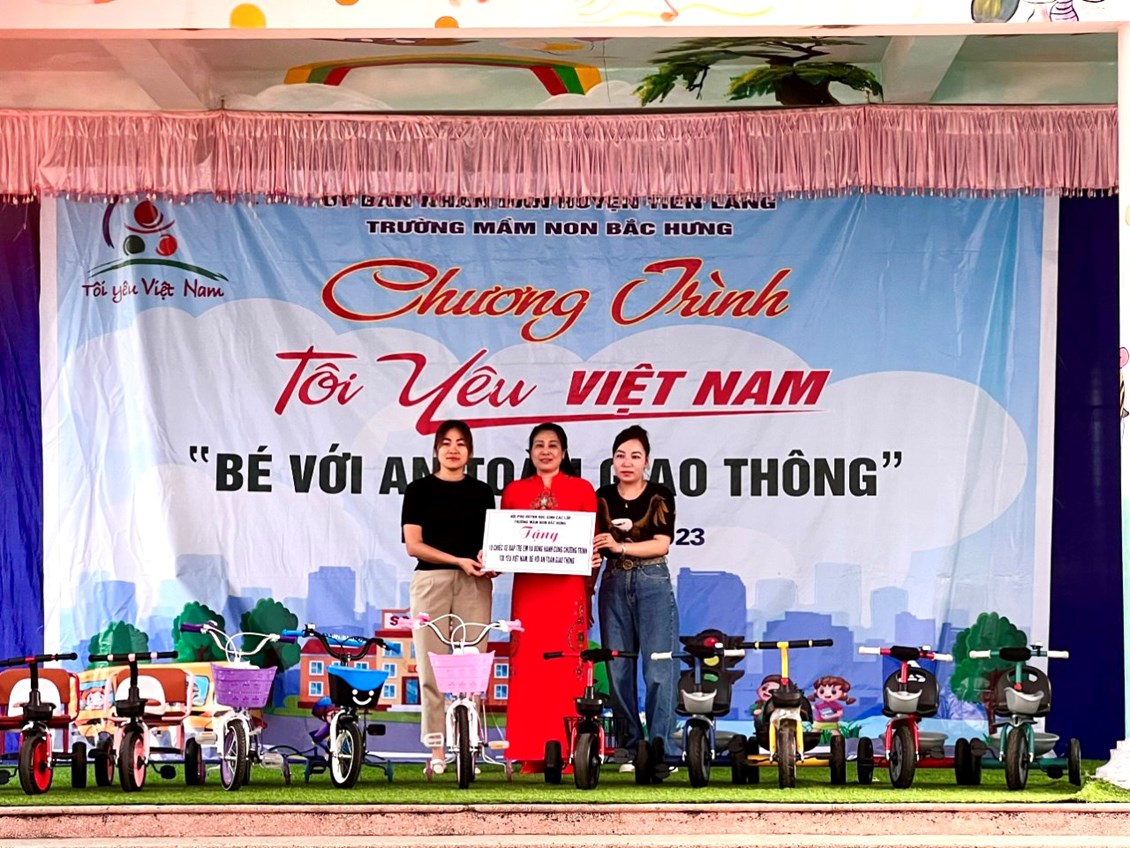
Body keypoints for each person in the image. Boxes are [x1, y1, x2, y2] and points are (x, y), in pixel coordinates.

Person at [501, 422, 597, 772]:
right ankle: (530, 752)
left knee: (566, 668)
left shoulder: (582, 489)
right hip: (529, 593)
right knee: (530, 670)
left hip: (568, 591)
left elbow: (590, 542)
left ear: (564, 452)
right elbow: (505, 541)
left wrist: (590, 576)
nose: (545, 451)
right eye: (538, 445)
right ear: (529, 453)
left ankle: (572, 753)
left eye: (552, 445)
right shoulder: (514, 491)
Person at [401, 420, 496, 775]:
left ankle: (469, 746)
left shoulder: (482, 492)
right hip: (430, 581)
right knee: (431, 667)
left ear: (470, 451)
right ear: (436, 449)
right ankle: (437, 750)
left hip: (474, 582)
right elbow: (414, 545)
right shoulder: (419, 490)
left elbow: (491, 543)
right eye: (446, 442)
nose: (453, 449)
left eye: (460, 443)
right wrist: (457, 560)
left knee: (472, 667)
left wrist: (491, 562)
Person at [592, 425, 679, 778]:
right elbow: (592, 542)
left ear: (647, 461)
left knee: (658, 667)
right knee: (618, 668)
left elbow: (662, 543)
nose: (627, 462)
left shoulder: (660, 495)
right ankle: (629, 746)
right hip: (613, 581)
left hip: (651, 579)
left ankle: (661, 749)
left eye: (635, 456)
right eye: (620, 456)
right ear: (612, 461)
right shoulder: (601, 497)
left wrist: (620, 547)